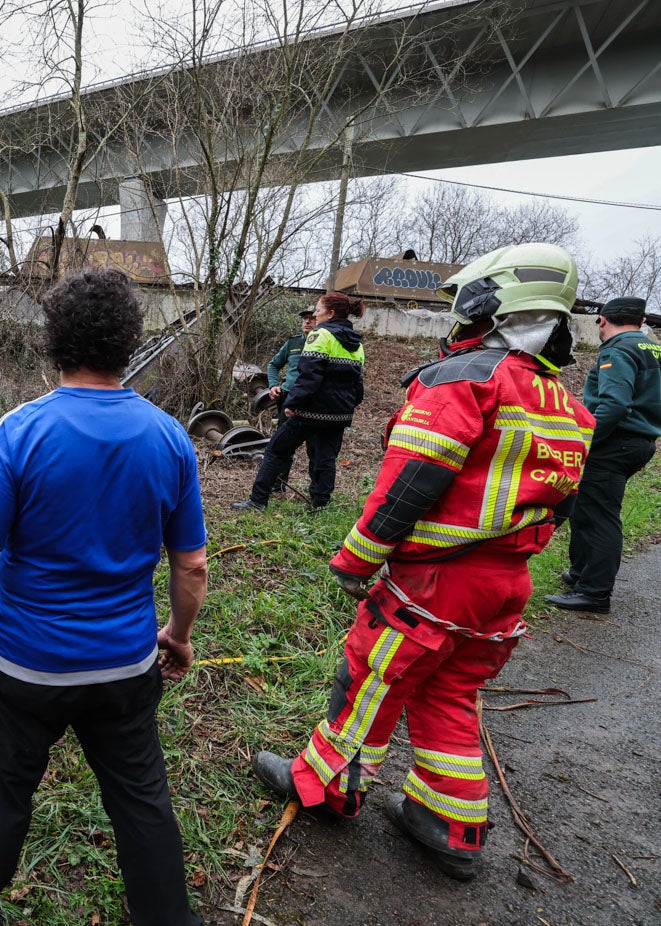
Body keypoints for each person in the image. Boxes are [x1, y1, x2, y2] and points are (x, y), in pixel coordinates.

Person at [250, 243, 593, 881]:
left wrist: (356, 560)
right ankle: (450, 824)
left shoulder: (462, 379)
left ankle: (324, 787)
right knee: (451, 691)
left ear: (488, 304)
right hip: (506, 584)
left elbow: (411, 482)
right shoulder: (568, 406)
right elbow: (563, 502)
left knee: (370, 678)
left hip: (436, 584)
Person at [0, 269, 209, 926]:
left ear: (55, 343)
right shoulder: (169, 438)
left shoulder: (20, 432)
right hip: (124, 666)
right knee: (141, 799)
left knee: (0, 797)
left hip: (20, 668)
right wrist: (178, 634)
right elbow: (190, 564)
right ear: (127, 343)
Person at [546, 297, 661, 613]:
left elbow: (613, 404)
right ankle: (582, 574)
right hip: (639, 440)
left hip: (614, 443)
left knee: (598, 516)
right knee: (586, 508)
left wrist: (583, 441)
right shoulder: (652, 348)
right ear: (640, 322)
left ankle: (595, 592)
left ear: (603, 321)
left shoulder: (617, 350)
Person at [234, 293, 365, 511]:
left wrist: (293, 405)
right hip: (339, 414)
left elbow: (308, 378)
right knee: (325, 458)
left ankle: (258, 500)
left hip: (311, 412)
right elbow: (357, 386)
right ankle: (320, 504)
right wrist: (346, 407)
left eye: (318, 310)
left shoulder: (320, 335)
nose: (314, 314)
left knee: (276, 450)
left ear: (330, 313)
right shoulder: (356, 343)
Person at [261, 306, 318, 493]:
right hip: (288, 398)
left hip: (312, 401)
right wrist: (273, 385)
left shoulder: (324, 343)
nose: (307, 322)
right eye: (305, 319)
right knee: (283, 444)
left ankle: (315, 490)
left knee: (315, 448)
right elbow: (274, 364)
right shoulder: (293, 343)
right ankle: (279, 484)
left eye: (312, 318)